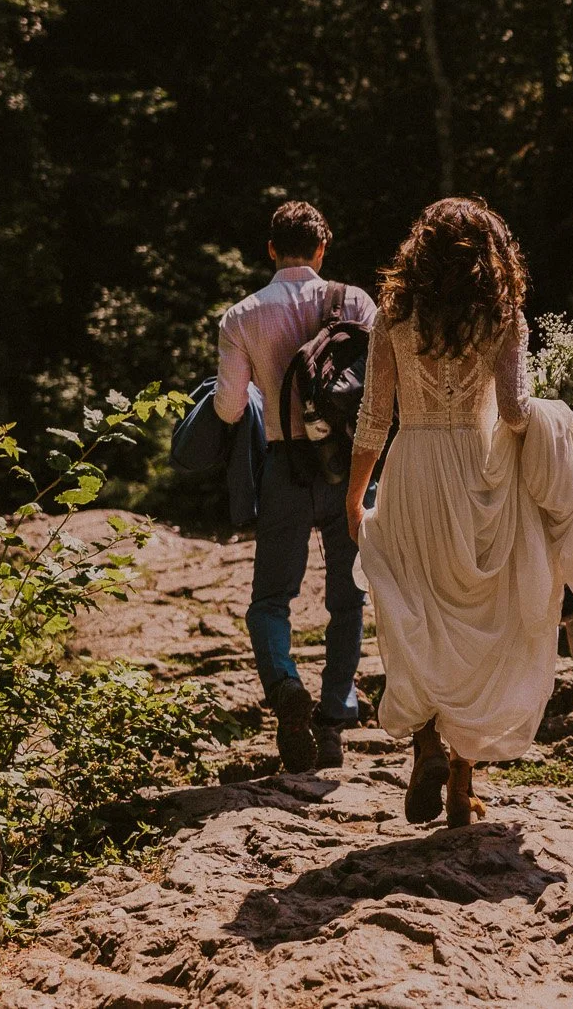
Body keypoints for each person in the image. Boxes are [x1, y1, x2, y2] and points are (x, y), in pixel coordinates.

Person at [345, 196, 573, 826]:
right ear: (491, 255)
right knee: (486, 627)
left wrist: (353, 496)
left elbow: (376, 416)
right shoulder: (504, 318)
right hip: (481, 477)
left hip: (412, 473)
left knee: (423, 614)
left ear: (420, 251)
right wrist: (558, 420)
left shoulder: (393, 319)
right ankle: (461, 783)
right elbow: (517, 411)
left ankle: (426, 745)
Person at [216, 200, 377, 773]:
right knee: (348, 598)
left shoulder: (240, 316)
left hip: (284, 466)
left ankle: (285, 686)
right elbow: (380, 392)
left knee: (269, 600)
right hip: (349, 467)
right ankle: (334, 722)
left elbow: (232, 409)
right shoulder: (355, 301)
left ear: (270, 249)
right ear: (322, 248)